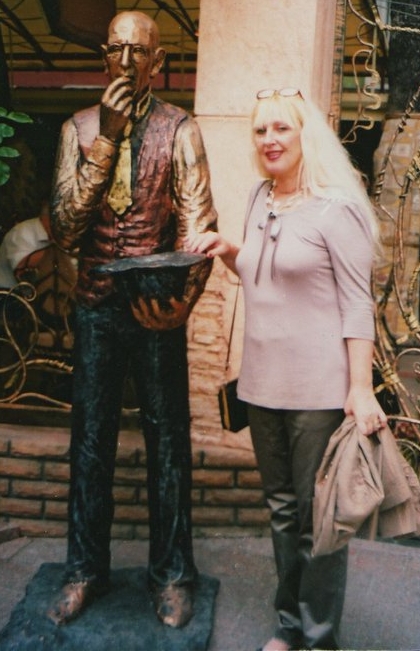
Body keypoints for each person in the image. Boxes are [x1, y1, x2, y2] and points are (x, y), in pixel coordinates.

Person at [185, 88, 387, 651]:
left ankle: (318, 637)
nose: (269, 140)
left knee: (316, 519)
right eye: (260, 131)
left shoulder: (336, 209)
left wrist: (360, 387)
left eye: (281, 128)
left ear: (305, 136)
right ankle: (290, 627)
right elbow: (259, 273)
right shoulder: (259, 197)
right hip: (261, 385)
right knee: (280, 512)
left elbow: (358, 304)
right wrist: (228, 248)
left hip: (318, 392)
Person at [46, 10, 217, 629]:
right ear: (103, 56)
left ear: (157, 62)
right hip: (96, 304)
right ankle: (83, 569)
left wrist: (183, 302)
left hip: (154, 310)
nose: (124, 62)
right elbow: (65, 227)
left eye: (137, 52)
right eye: (115, 50)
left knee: (168, 440)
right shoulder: (77, 128)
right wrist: (107, 140)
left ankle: (172, 573)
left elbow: (200, 226)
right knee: (90, 441)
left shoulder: (181, 129)